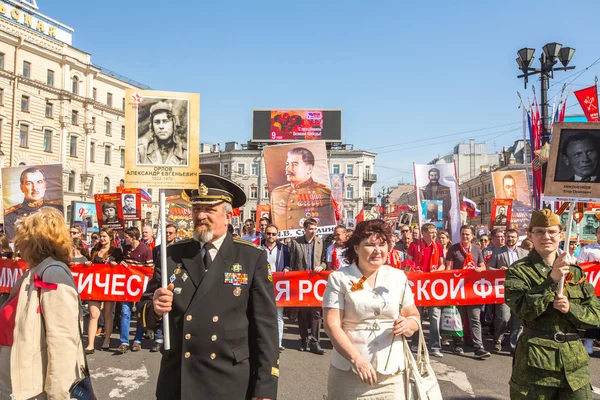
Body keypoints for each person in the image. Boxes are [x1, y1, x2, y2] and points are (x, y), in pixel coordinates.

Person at [138, 173, 279, 400]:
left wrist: (265, 388)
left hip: (228, 379)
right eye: (196, 208)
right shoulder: (171, 254)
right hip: (179, 379)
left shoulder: (251, 257)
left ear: (228, 216)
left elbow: (266, 328)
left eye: (209, 209)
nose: (200, 215)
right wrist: (154, 307)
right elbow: (144, 310)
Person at [504, 209, 600, 399]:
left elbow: (596, 314)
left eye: (551, 232)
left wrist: (571, 309)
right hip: (535, 366)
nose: (546, 236)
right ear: (530, 235)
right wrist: (551, 280)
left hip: (574, 367)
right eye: (539, 231)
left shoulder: (575, 272)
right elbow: (523, 310)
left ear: (560, 235)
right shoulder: (519, 271)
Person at [323, 219, 421, 399]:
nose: (377, 250)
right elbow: (332, 325)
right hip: (349, 372)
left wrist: (409, 324)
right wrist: (356, 359)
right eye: (369, 244)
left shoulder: (398, 277)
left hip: (392, 374)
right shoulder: (339, 278)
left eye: (382, 244)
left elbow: (413, 315)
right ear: (356, 248)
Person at [0, 208, 85, 399]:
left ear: (34, 240)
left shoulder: (52, 273)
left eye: (21, 236)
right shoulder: (33, 271)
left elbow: (62, 341)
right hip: (15, 383)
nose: (17, 244)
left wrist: (58, 395)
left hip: (32, 390)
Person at [445, 225, 491, 359]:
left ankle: (479, 347)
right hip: (458, 289)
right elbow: (448, 269)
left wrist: (480, 269)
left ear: (472, 236)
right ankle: (458, 343)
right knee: (458, 318)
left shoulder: (476, 249)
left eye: (467, 234)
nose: (465, 236)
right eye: (463, 234)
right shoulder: (453, 249)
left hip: (473, 290)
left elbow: (482, 266)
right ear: (460, 235)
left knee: (475, 318)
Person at [271, 147, 335, 230]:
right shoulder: (277, 193)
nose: (288, 169)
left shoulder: (323, 192)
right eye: (287, 164)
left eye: (294, 164)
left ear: (309, 168)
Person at [487, 228, 528, 354]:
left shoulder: (525, 253)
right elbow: (488, 268)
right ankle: (497, 339)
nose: (510, 239)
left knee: (518, 320)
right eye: (508, 236)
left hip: (520, 291)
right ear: (505, 237)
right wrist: (498, 270)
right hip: (503, 290)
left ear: (517, 238)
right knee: (503, 318)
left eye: (513, 237)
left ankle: (514, 346)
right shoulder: (497, 252)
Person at [289, 218, 327, 354]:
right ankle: (304, 339)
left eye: (315, 229)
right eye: (311, 229)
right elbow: (292, 262)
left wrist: (321, 267)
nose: (313, 231)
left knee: (316, 314)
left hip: (315, 282)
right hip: (301, 283)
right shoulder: (295, 242)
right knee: (303, 314)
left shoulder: (320, 242)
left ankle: (315, 342)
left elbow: (324, 261)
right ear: (304, 229)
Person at [84, 228, 123, 353]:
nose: (102, 239)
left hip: (109, 285)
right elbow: (91, 263)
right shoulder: (95, 250)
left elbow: (122, 266)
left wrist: (115, 265)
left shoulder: (116, 251)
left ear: (111, 238)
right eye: (101, 236)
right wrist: (88, 264)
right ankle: (90, 344)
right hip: (96, 285)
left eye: (105, 236)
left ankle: (106, 340)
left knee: (107, 314)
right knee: (93, 314)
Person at [408, 223, 445, 358]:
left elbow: (442, 265)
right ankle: (416, 343)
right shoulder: (414, 246)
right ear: (423, 233)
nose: (434, 234)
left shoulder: (438, 246)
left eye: (435, 232)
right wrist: (413, 270)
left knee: (434, 316)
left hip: (432, 286)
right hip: (418, 286)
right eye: (431, 232)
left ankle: (435, 346)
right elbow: (408, 264)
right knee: (417, 316)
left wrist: (437, 271)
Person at [118, 227, 153, 354]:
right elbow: (121, 262)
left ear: (133, 238)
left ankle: (137, 340)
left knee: (139, 314)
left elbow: (150, 269)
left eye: (126, 237)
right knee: (125, 312)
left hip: (140, 288)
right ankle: (124, 341)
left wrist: (137, 270)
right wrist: (122, 263)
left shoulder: (146, 250)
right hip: (127, 287)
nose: (124, 239)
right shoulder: (125, 247)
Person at [3, 167, 63, 240]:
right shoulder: (10, 214)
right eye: (29, 183)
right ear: (22, 187)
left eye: (39, 182)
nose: (35, 188)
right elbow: (11, 241)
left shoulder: (57, 209)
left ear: (45, 185)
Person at [261, 224, 290, 351]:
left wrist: (287, 268)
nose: (271, 236)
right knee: (261, 314)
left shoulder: (284, 248)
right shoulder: (258, 246)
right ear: (264, 234)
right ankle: (262, 341)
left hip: (278, 286)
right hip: (262, 285)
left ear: (277, 235)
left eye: (273, 234)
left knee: (278, 315)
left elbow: (288, 264)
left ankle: (278, 342)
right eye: (268, 233)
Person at [137, 101, 188, 165]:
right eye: (157, 122)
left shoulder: (185, 153)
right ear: (152, 126)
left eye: (165, 121)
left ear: (174, 124)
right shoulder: (141, 151)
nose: (161, 126)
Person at [577, 226, 600, 355]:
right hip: (594, 288)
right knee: (593, 314)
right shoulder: (587, 249)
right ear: (596, 234)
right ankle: (589, 340)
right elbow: (580, 266)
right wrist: (594, 263)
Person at [420, 167, 452, 235]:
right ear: (428, 176)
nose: (434, 177)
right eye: (432, 175)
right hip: (428, 217)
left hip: (442, 217)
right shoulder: (423, 189)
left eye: (436, 175)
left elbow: (449, 204)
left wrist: (442, 213)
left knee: (440, 235)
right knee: (429, 234)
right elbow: (422, 204)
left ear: (439, 176)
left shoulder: (445, 189)